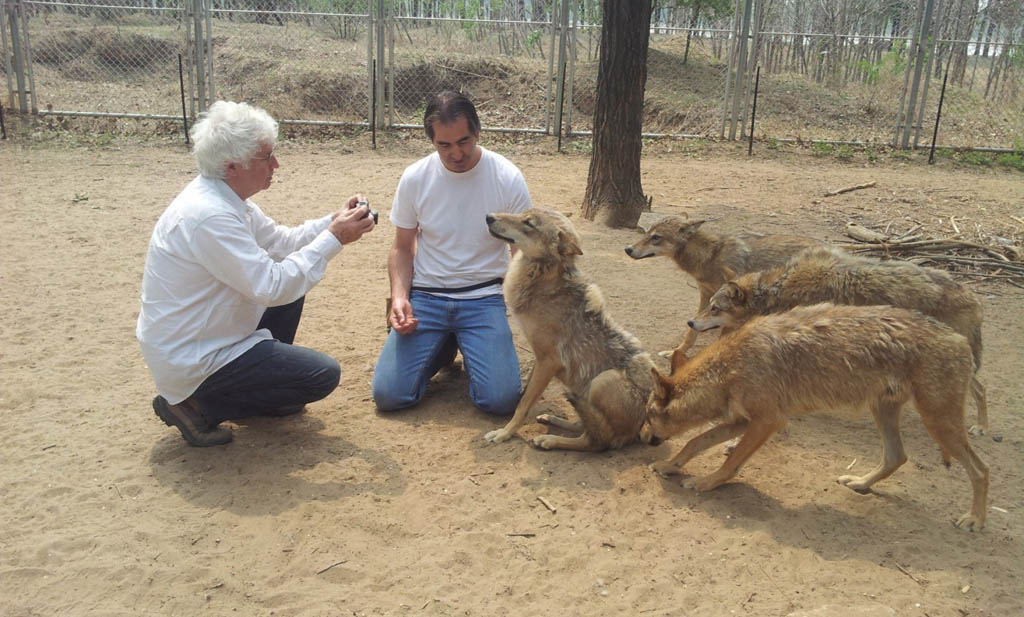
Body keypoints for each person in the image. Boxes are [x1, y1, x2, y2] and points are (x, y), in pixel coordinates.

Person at [137, 100, 375, 447]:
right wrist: (335, 238)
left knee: (294, 287)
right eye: (267, 156)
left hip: (201, 337)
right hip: (194, 356)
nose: (275, 164)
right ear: (233, 166)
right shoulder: (210, 216)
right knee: (321, 375)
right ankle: (193, 405)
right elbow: (272, 286)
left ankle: (262, 394)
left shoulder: (224, 198)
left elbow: (283, 243)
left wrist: (333, 221)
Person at [372, 90, 532, 416]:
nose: (456, 153)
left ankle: (465, 344)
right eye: (444, 145)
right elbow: (402, 248)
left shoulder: (506, 177)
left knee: (499, 401)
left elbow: (520, 252)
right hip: (427, 297)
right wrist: (400, 297)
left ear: (478, 132)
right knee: (388, 397)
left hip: (484, 297)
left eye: (464, 141)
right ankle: (445, 347)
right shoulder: (416, 177)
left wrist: (520, 301)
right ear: (431, 140)